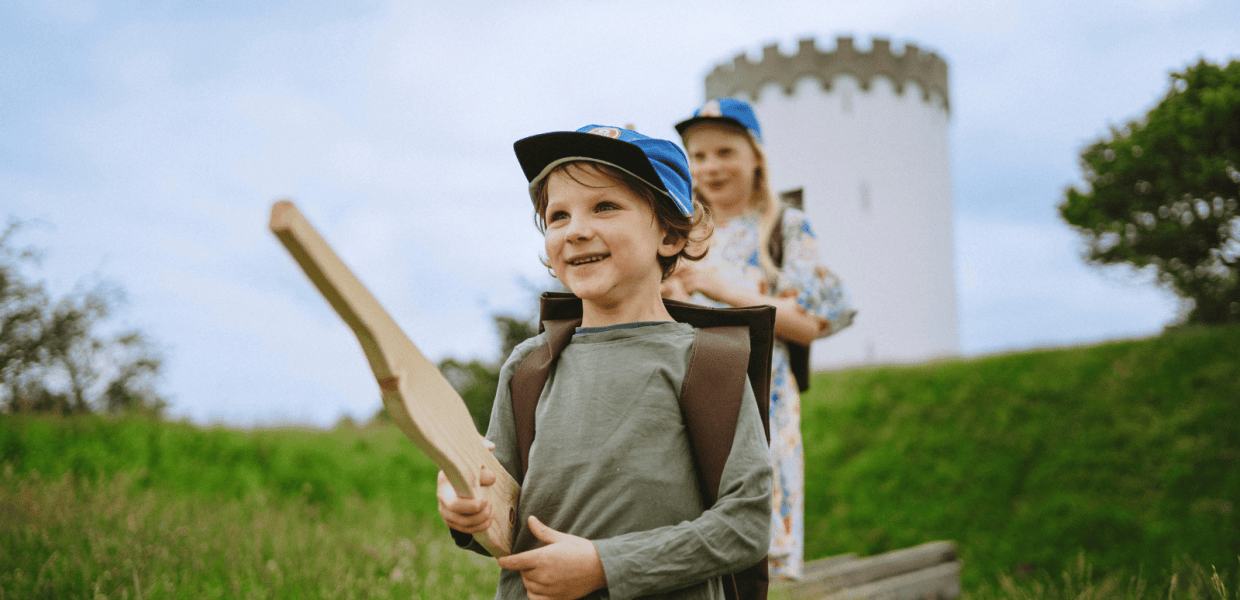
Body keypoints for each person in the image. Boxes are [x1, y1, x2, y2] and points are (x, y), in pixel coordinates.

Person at [438, 124, 773, 600]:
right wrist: (466, 511)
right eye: (558, 216)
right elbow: (500, 512)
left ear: (671, 235)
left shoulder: (708, 363)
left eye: (605, 206)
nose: (576, 230)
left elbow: (746, 524)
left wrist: (606, 566)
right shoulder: (530, 366)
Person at [667, 98, 855, 581]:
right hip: (684, 392)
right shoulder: (677, 230)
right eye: (699, 155)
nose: (710, 167)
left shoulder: (784, 227)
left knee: (757, 549)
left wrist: (724, 288)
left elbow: (812, 321)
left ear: (756, 157)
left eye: (725, 151)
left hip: (760, 398)